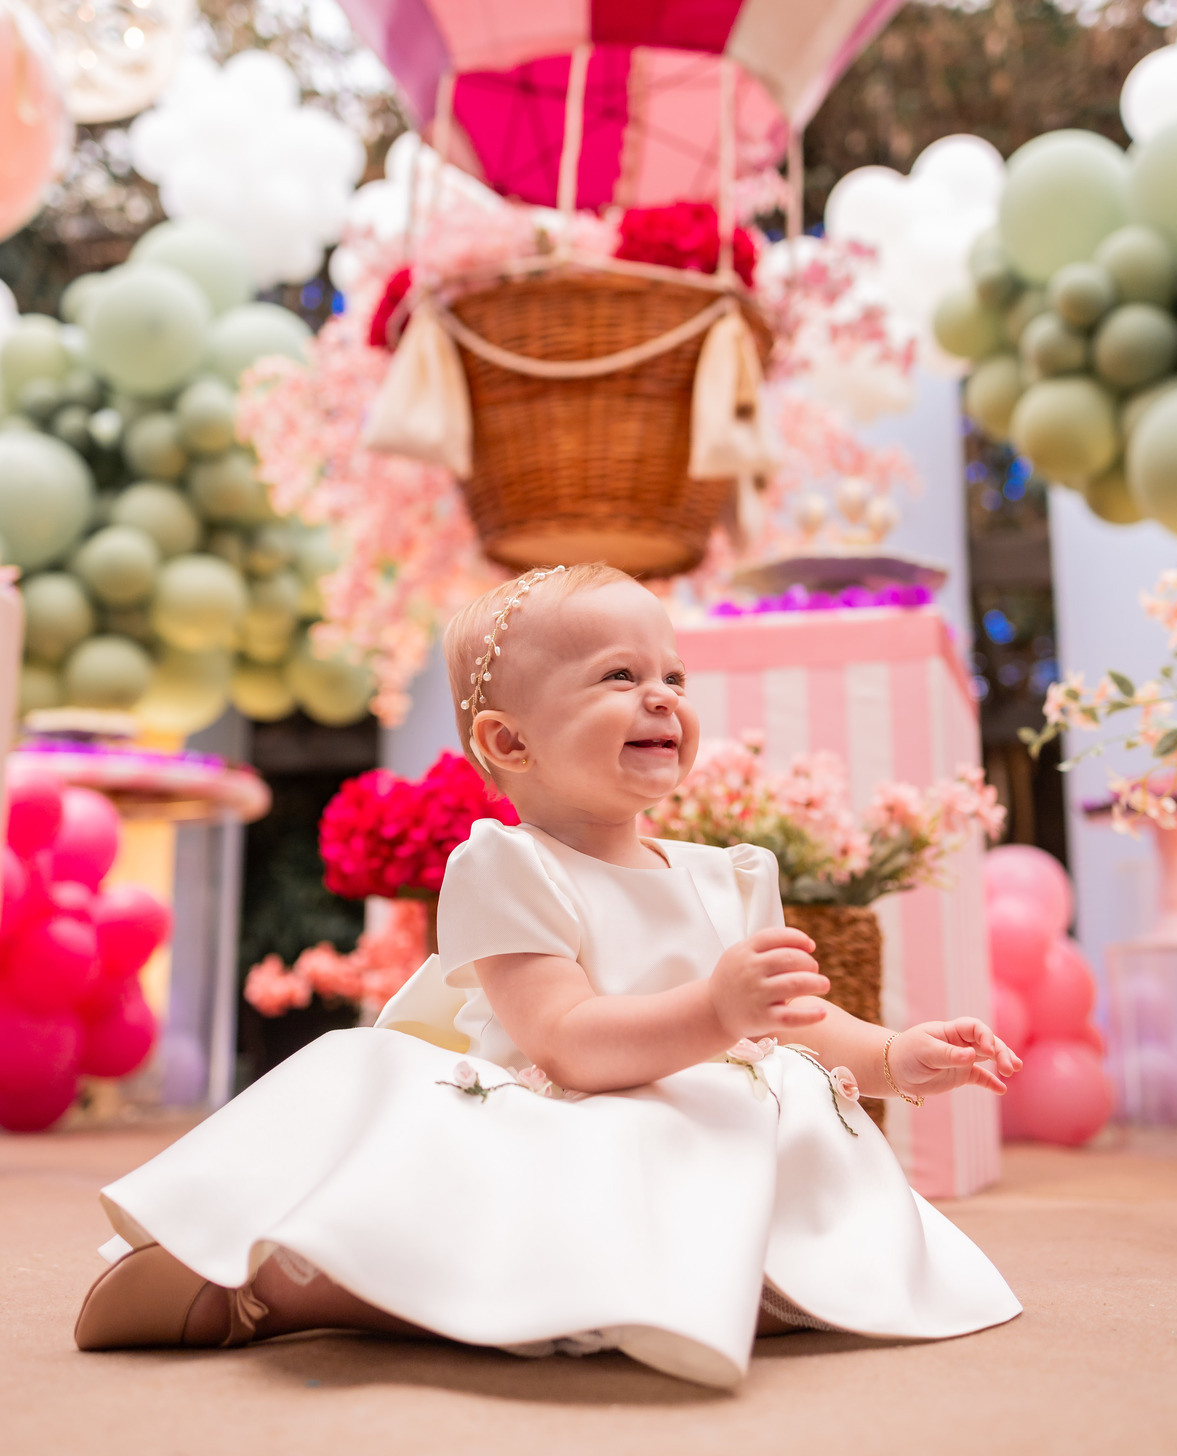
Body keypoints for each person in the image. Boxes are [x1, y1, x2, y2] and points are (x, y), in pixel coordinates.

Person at [75, 562, 1021, 1388]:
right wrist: (715, 1007)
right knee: (527, 1232)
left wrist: (893, 1055)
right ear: (510, 743)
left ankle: (694, 1284)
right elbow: (567, 1042)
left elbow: (793, 1020)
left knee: (803, 1277)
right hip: (581, 1121)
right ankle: (299, 1285)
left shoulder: (728, 875)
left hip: (716, 1133)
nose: (663, 697)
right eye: (620, 676)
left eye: (673, 675)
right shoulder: (509, 868)